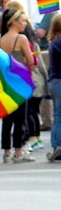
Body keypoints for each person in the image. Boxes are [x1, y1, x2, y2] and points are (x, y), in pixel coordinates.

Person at [0, 8, 36, 163]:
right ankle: (18, 151)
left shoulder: (1, 39)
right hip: (21, 81)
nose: (25, 24)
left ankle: (6, 151)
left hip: (7, 82)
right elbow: (31, 60)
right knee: (20, 118)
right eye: (23, 20)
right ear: (13, 22)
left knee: (7, 118)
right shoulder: (21, 39)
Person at [47, 13, 61, 161]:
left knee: (58, 115)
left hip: (55, 81)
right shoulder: (59, 43)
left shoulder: (54, 42)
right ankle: (58, 145)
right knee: (59, 115)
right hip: (59, 81)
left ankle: (57, 145)